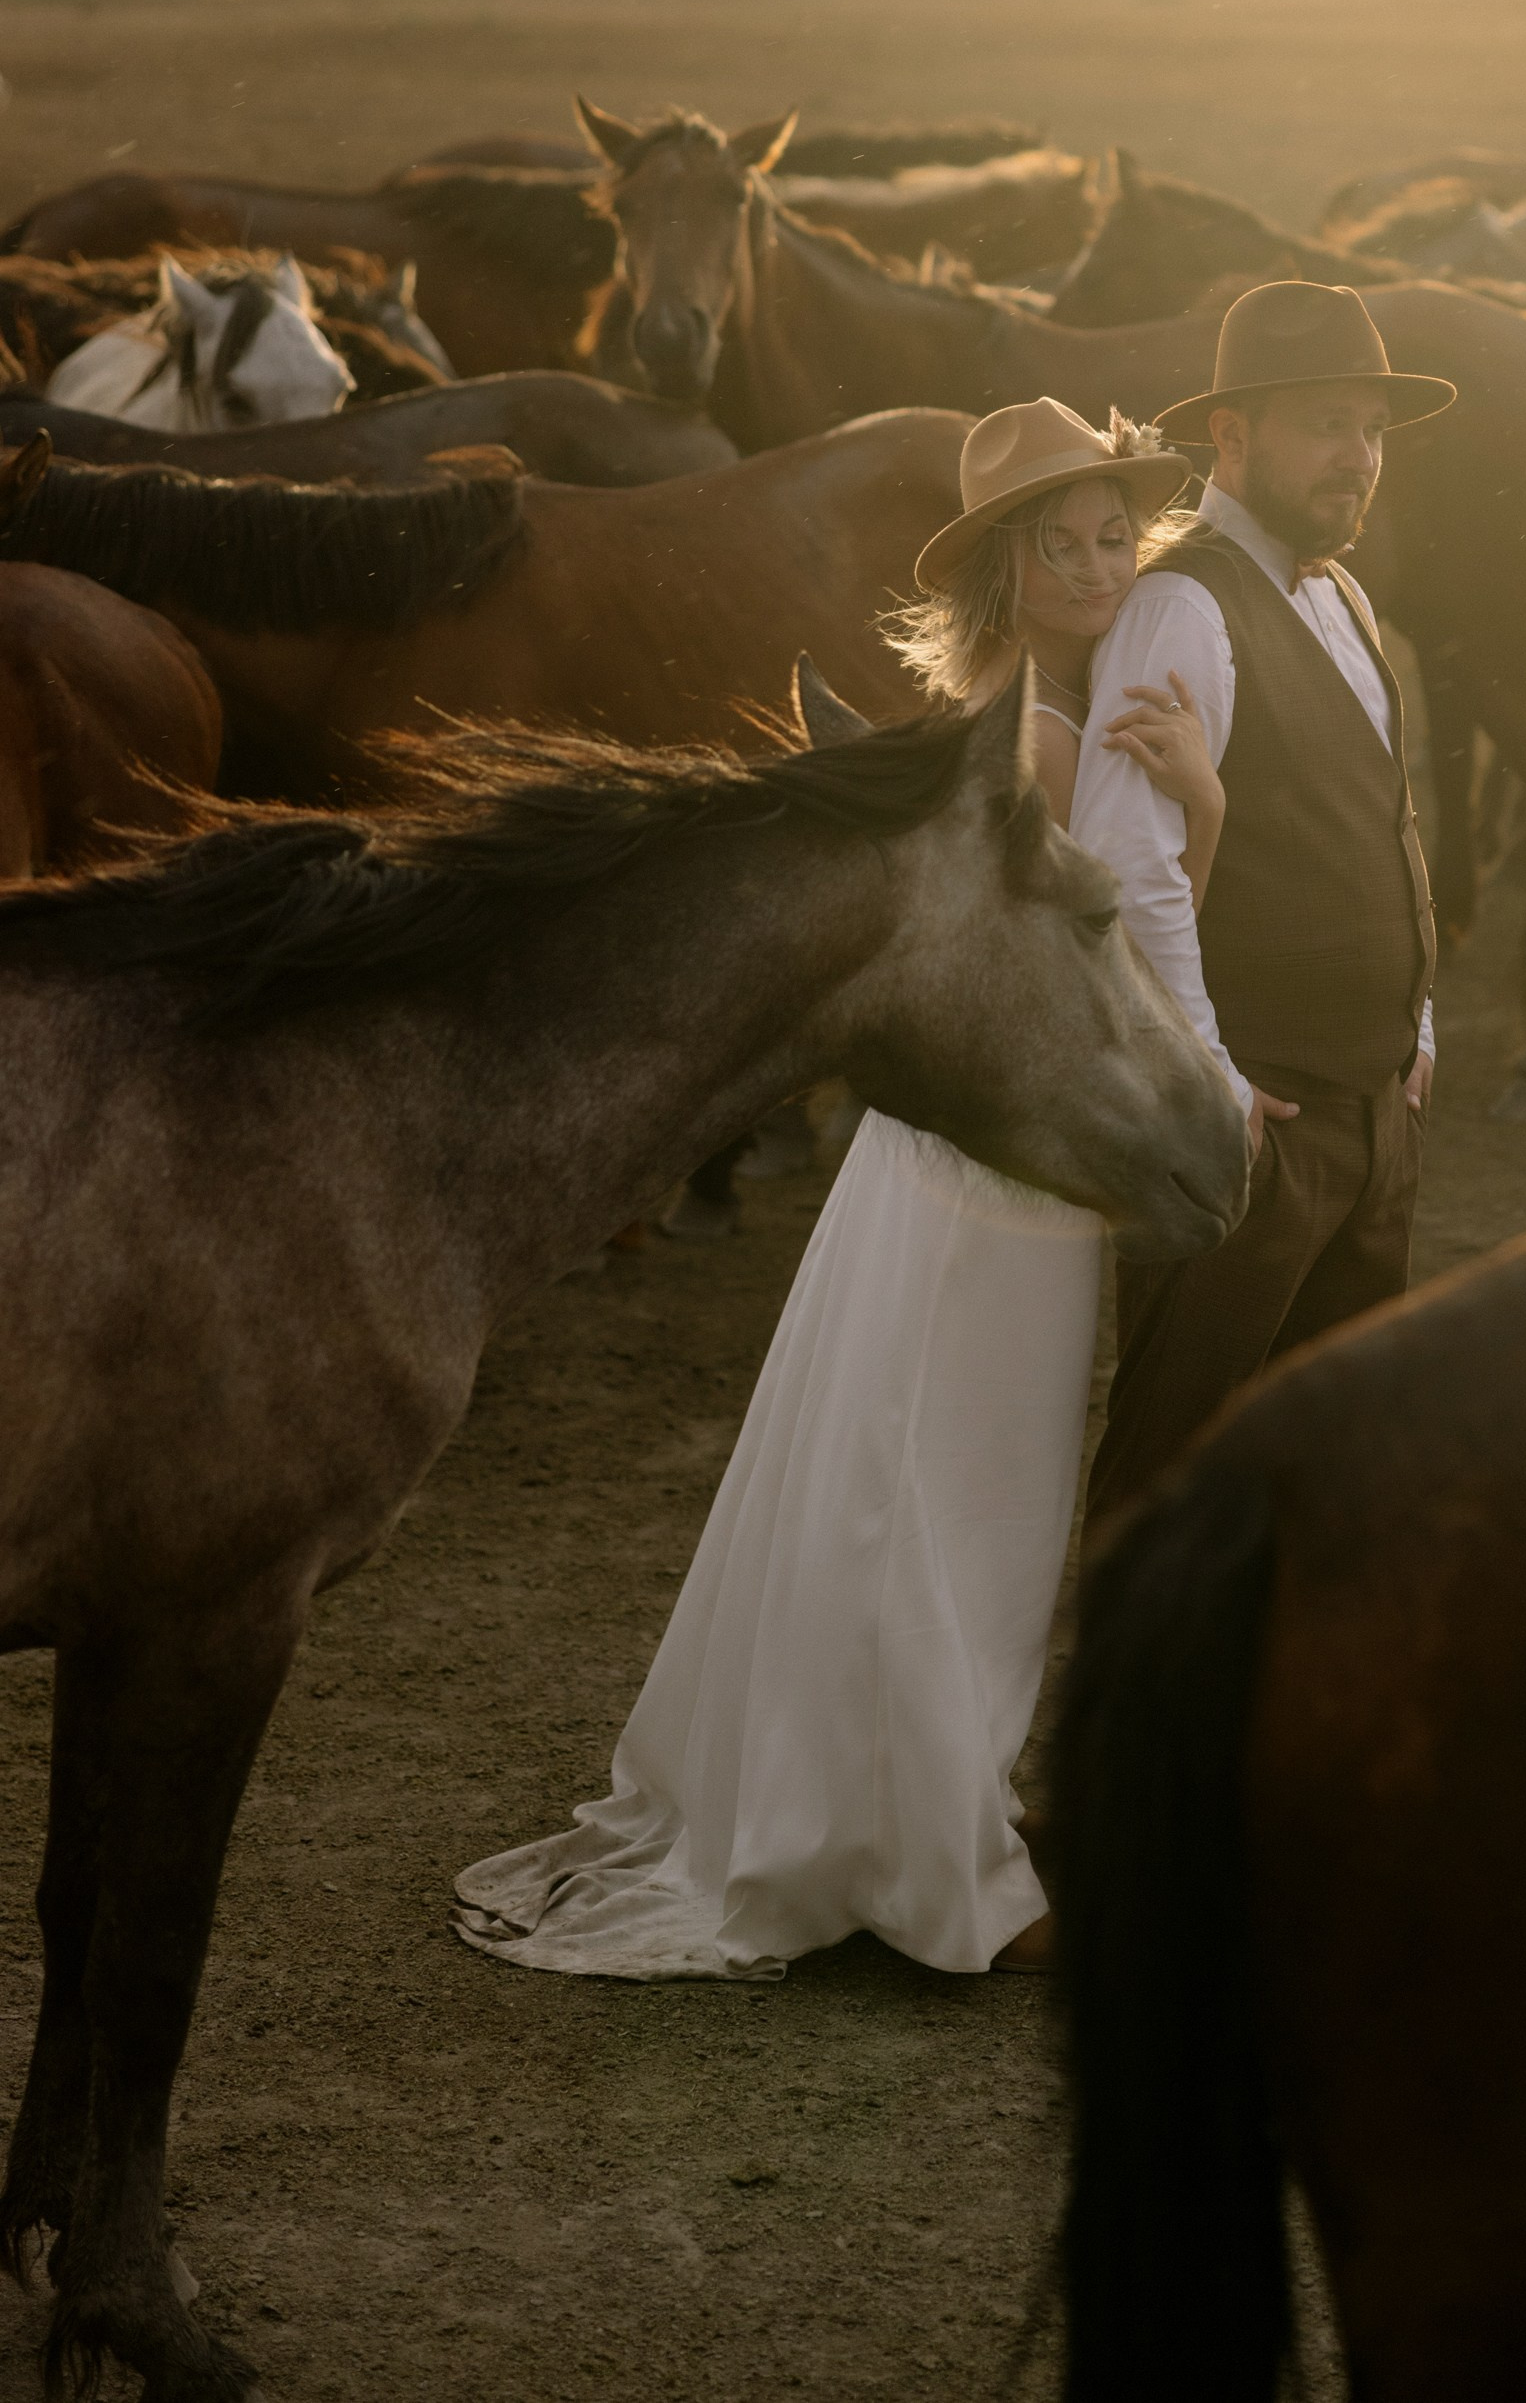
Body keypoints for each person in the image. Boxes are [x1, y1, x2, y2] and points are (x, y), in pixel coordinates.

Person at [452, 398, 1212, 1982]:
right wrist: (1204, 812)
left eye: (1109, 535)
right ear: (1001, 574)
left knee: (912, 1472)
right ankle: (925, 1854)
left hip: (949, 1160)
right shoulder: (1043, 738)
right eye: (1057, 543)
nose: (1094, 563)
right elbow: (1110, 951)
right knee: (955, 1492)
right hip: (999, 1166)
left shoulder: (1008, 718)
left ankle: (881, 1812)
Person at [1077, 281, 1453, 1527]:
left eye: (1374, 428)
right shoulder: (1179, 606)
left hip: (1374, 1113)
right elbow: (1127, 871)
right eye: (1325, 424)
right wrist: (1210, 1077)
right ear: (1230, 438)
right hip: (1254, 1127)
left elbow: (1375, 828)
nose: (1360, 457)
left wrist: (1421, 1025)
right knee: (1172, 1471)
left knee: (1338, 1464)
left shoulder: (1343, 595)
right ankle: (1123, 1717)